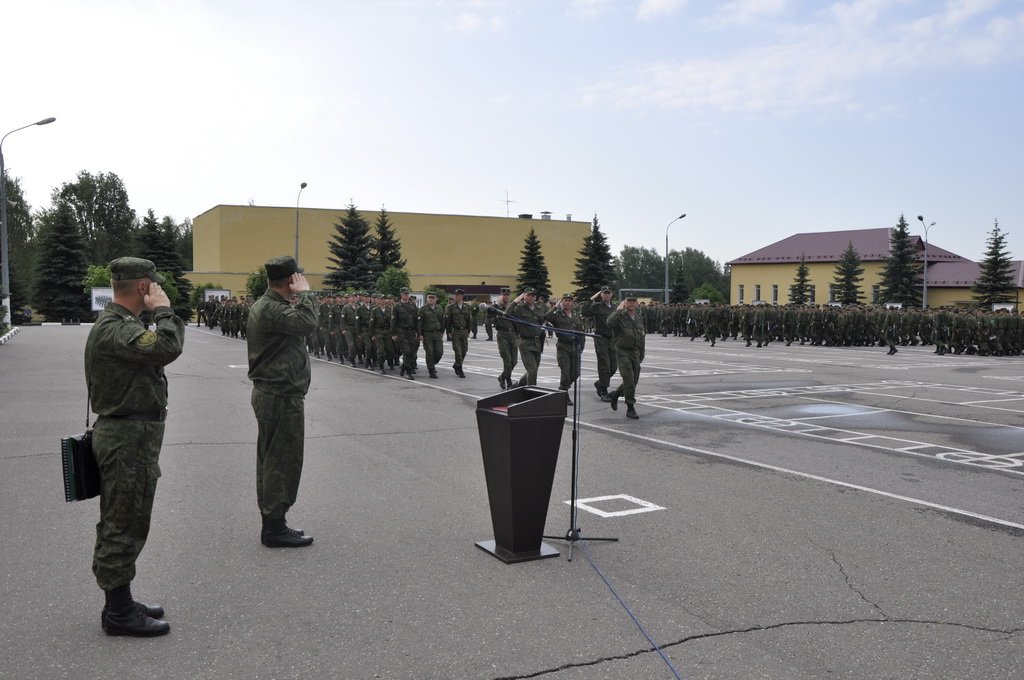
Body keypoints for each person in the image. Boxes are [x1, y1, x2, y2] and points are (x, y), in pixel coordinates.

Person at [85, 257, 184, 637]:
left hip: (131, 437)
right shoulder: (116, 330)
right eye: (154, 286)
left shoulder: (120, 326)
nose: (158, 291)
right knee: (123, 523)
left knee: (126, 518)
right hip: (127, 440)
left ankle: (120, 601)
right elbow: (166, 346)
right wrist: (165, 312)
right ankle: (119, 613)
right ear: (143, 287)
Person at [246, 256, 319, 548]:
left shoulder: (268, 306)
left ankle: (275, 522)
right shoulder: (272, 309)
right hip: (280, 395)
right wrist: (306, 293)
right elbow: (308, 323)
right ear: (290, 280)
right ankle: (274, 528)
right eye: (296, 279)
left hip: (276, 393)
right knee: (281, 461)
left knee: (274, 459)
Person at [606, 294, 645, 420]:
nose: (632, 303)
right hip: (622, 352)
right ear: (625, 302)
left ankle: (616, 393)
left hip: (636, 353)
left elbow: (641, 336)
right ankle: (630, 407)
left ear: (637, 303)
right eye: (629, 301)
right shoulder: (619, 316)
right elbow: (609, 322)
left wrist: (642, 353)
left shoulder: (638, 318)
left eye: (634, 301)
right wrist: (618, 309)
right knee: (628, 380)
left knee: (634, 381)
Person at [545, 293, 585, 401]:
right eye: (565, 300)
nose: (567, 302)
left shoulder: (576, 315)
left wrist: (582, 347)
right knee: (566, 372)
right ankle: (564, 392)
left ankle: (563, 387)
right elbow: (546, 316)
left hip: (575, 347)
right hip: (563, 347)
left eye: (569, 300)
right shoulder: (557, 314)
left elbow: (582, 332)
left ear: (573, 303)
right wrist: (555, 306)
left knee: (576, 373)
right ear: (562, 302)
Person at [581, 286, 617, 401]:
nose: (606, 295)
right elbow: (585, 312)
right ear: (601, 295)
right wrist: (591, 299)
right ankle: (604, 392)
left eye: (608, 293)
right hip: (601, 338)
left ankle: (600, 383)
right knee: (604, 365)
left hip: (613, 339)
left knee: (613, 367)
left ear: (612, 294)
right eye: (604, 293)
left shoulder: (615, 307)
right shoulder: (597, 306)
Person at [507, 288, 545, 387]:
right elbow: (506, 314)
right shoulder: (519, 308)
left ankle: (518, 385)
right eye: (528, 295)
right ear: (524, 296)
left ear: (535, 297)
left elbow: (545, 318)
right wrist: (516, 301)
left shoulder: (540, 307)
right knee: (532, 370)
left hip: (538, 342)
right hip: (525, 342)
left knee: (534, 370)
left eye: (533, 295)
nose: (531, 297)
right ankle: (532, 392)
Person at [492, 288, 518, 389]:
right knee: (507, 361)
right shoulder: (496, 307)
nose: (506, 297)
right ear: (501, 296)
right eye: (504, 295)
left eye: (507, 295)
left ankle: (502, 377)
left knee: (514, 362)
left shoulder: (513, 307)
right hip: (502, 335)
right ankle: (509, 381)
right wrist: (497, 305)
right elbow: (490, 316)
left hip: (512, 335)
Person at [392, 287, 420, 379]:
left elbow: (417, 320)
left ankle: (404, 367)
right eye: (404, 294)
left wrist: (418, 333)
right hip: (402, 332)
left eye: (407, 294)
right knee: (407, 351)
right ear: (401, 294)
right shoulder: (397, 306)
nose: (406, 295)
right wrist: (394, 333)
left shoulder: (413, 305)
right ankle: (408, 372)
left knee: (412, 352)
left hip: (411, 332)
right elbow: (393, 321)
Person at [444, 289, 472, 378]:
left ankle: (456, 364)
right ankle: (459, 368)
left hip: (464, 331)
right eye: (455, 295)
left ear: (462, 296)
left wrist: (469, 330)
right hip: (455, 331)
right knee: (458, 352)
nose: (456, 297)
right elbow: (448, 321)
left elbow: (469, 320)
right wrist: (448, 332)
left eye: (459, 295)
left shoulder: (467, 307)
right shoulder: (450, 307)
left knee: (464, 351)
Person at [417, 292, 445, 378]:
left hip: (437, 333)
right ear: (427, 299)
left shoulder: (439, 308)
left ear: (436, 299)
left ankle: (432, 363)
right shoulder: (423, 309)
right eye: (429, 298)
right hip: (427, 334)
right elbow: (419, 323)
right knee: (430, 352)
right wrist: (420, 334)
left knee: (439, 352)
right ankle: (431, 369)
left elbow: (442, 320)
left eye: (433, 298)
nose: (431, 299)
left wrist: (442, 331)